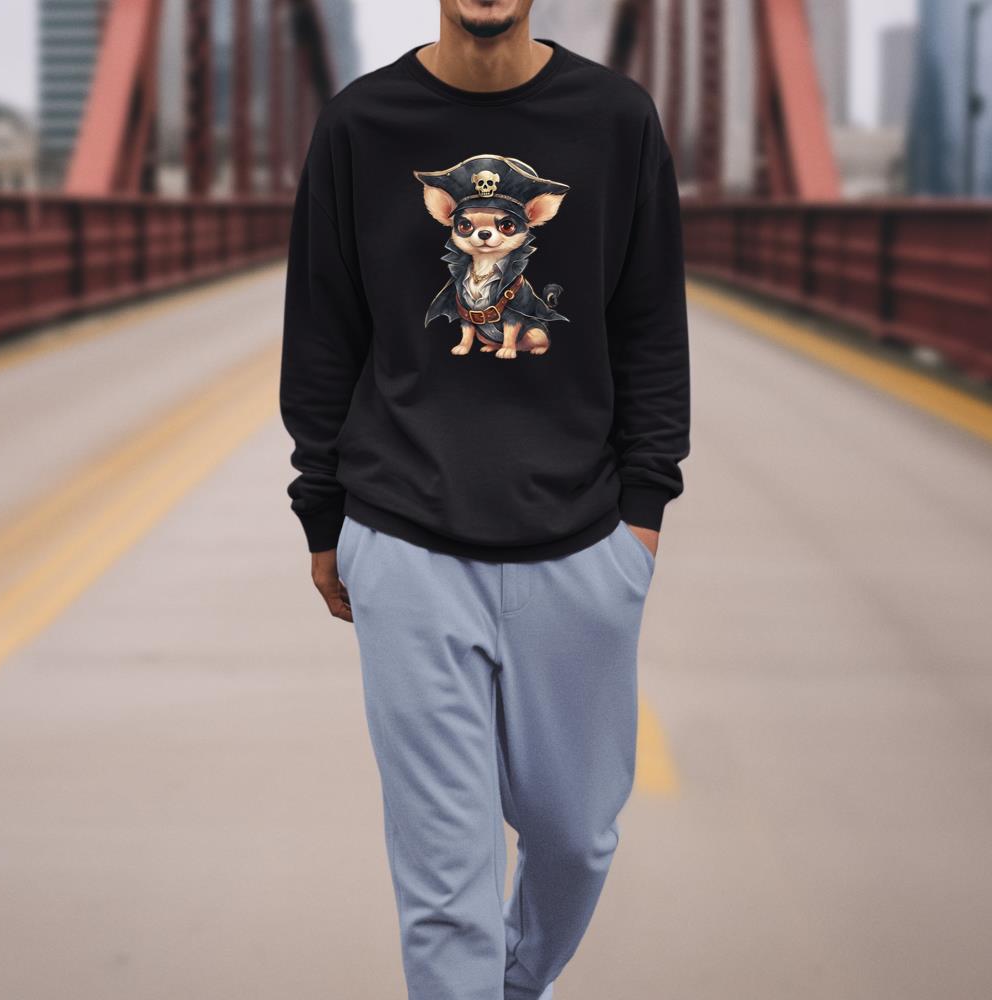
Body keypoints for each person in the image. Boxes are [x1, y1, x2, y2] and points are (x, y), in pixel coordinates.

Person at [279, 1, 690, 997]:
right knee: (446, 886)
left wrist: (640, 518)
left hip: (582, 543)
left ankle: (513, 984)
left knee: (576, 840)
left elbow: (650, 323)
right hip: (405, 538)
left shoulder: (616, 117)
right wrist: (323, 513)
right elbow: (323, 330)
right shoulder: (359, 124)